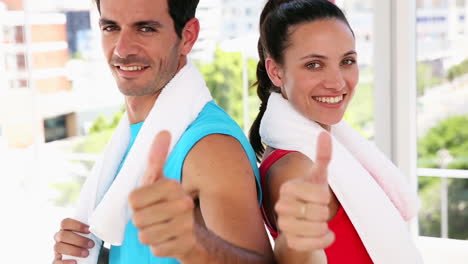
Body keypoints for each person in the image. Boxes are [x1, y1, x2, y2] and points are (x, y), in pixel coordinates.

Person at [52, 0, 274, 264]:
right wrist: (94, 256)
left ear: (187, 37)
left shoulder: (211, 148)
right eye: (111, 27)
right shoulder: (134, 137)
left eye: (145, 29)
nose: (122, 49)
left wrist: (195, 246)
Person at [249, 0, 422, 263]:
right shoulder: (296, 169)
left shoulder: (325, 149)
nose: (337, 82)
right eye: (314, 65)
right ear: (276, 71)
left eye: (347, 61)